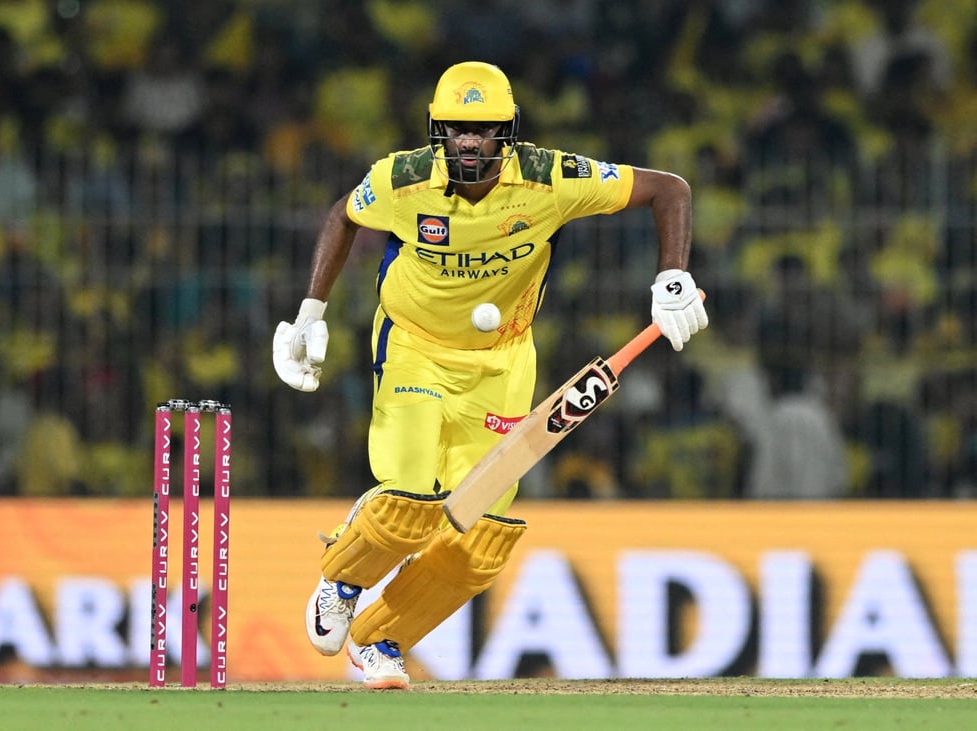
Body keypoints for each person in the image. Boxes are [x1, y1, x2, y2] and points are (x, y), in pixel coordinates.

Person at [272, 61, 708, 689]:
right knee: (410, 505)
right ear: (437, 130)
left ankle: (380, 641)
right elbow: (344, 215)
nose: (469, 143)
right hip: (414, 349)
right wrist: (311, 311)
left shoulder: (549, 177)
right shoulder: (402, 180)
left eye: (484, 130)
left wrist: (673, 276)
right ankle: (343, 575)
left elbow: (670, 189)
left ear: (509, 131)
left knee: (482, 540)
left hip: (502, 364)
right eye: (457, 130)